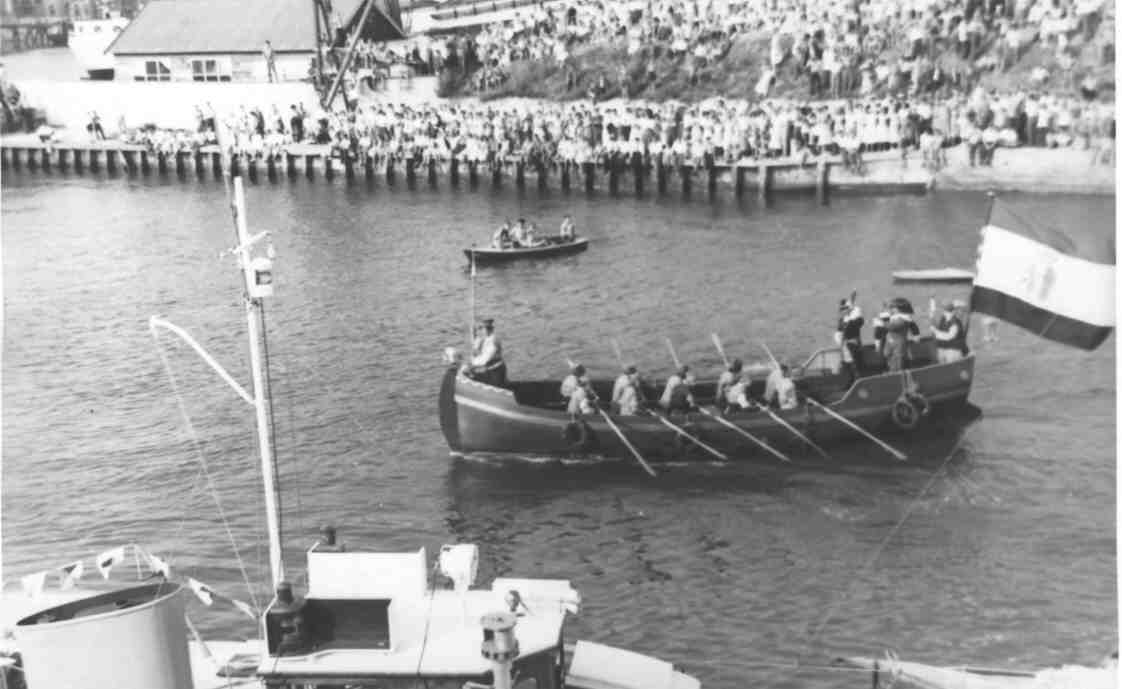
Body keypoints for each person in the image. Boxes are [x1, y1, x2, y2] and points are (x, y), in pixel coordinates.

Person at [835, 297, 865, 382]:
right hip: (844, 346)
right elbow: (839, 332)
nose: (843, 311)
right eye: (841, 309)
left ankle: (859, 382)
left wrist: (852, 314)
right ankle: (850, 382)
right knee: (847, 366)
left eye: (845, 309)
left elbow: (860, 321)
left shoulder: (855, 319)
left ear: (849, 309)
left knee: (856, 366)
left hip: (853, 345)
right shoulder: (842, 320)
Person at [469, 318, 506, 386]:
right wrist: (475, 348)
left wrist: (472, 363)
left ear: (489, 330)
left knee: (471, 373)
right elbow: (475, 355)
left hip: (494, 373)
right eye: (477, 329)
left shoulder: (492, 341)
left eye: (481, 328)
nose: (478, 332)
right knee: (469, 372)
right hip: (486, 370)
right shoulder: (480, 339)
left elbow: (483, 360)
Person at [883, 303, 919, 372]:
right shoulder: (894, 317)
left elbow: (891, 327)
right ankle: (893, 370)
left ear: (899, 309)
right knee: (888, 354)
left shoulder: (903, 319)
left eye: (893, 308)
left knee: (898, 359)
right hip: (891, 341)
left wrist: (885, 319)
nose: (891, 309)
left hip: (898, 342)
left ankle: (897, 372)